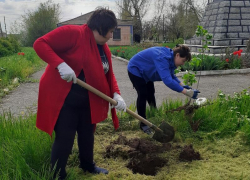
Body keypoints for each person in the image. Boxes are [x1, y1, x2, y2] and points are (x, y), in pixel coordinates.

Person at [33, 8, 126, 180]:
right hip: (65, 99)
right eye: (111, 31)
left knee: (87, 134)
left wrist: (116, 94)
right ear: (100, 28)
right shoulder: (73, 33)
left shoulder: (103, 48)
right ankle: (57, 175)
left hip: (88, 99)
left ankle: (87, 165)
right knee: (65, 139)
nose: (112, 35)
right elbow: (40, 43)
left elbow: (108, 73)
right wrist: (60, 64)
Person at [127, 45, 200, 134]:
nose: (183, 63)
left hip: (146, 72)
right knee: (143, 94)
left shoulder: (170, 57)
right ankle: (143, 124)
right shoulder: (162, 57)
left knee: (150, 92)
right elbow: (168, 80)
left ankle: (154, 114)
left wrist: (182, 85)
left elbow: (171, 75)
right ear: (177, 55)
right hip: (135, 69)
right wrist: (186, 92)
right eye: (183, 60)